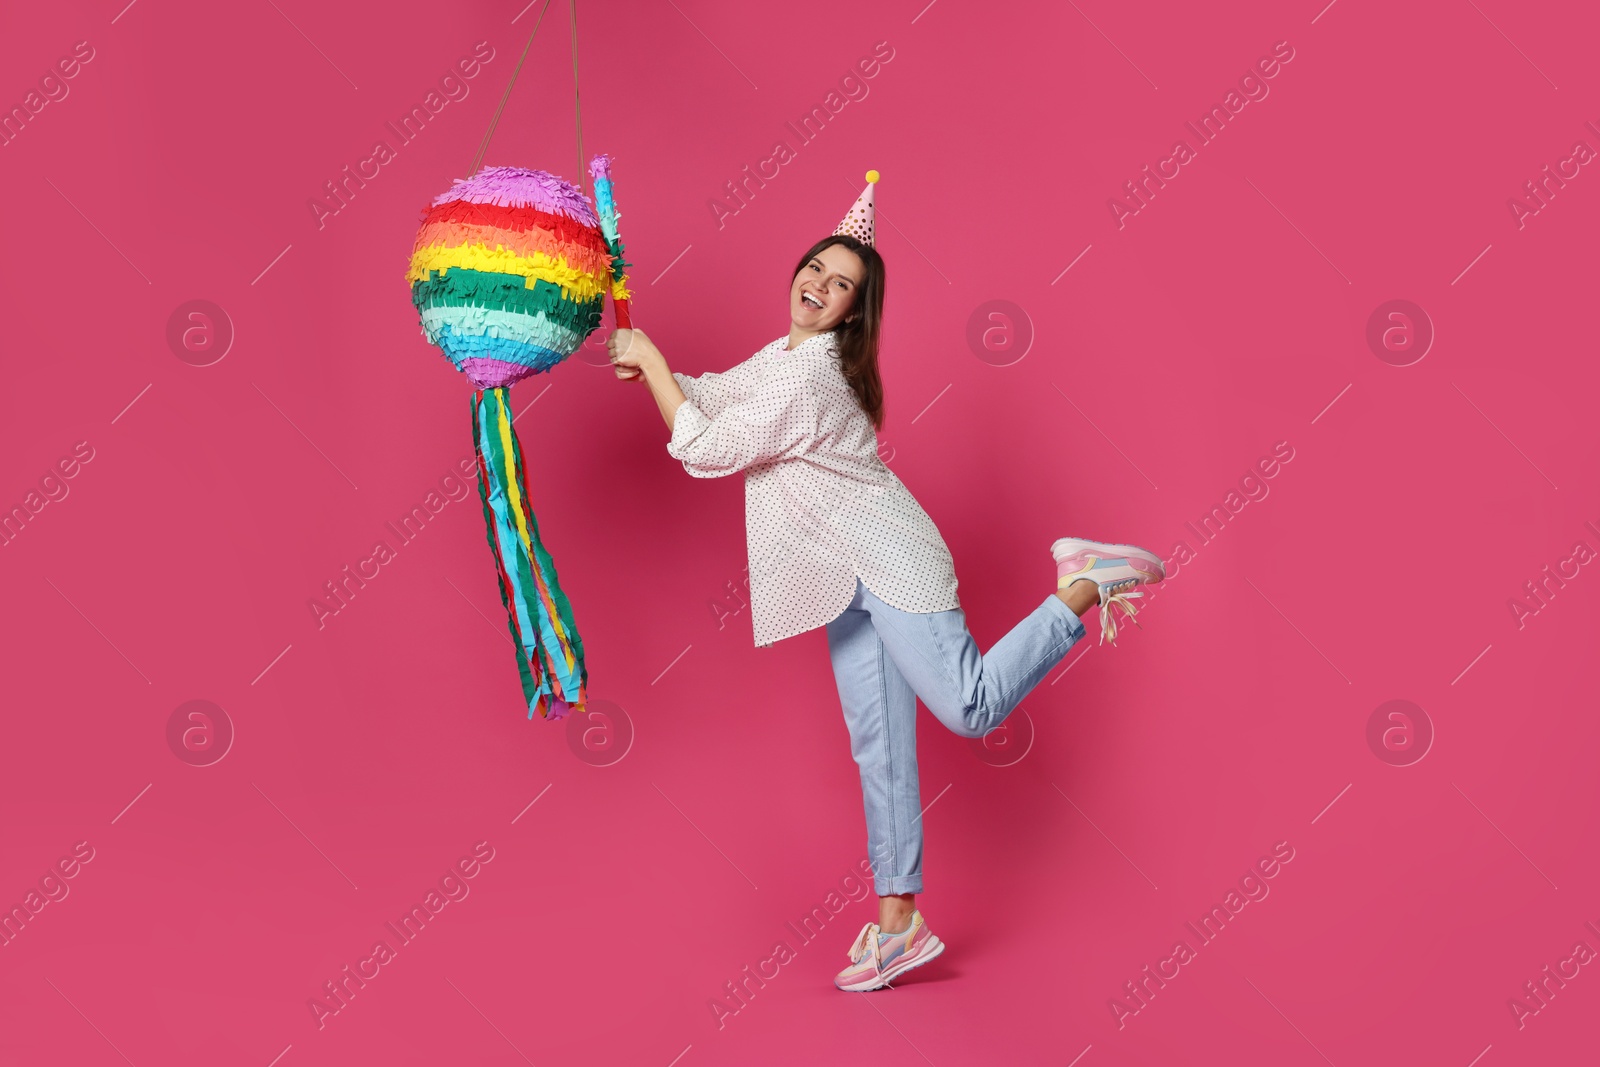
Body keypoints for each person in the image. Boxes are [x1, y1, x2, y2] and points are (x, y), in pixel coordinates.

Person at [606, 174, 1165, 992]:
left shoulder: (813, 375)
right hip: (843, 577)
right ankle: (900, 927)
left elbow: (705, 451)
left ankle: (1082, 583)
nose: (819, 286)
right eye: (817, 269)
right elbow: (715, 402)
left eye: (841, 286)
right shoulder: (785, 357)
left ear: (851, 313)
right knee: (884, 753)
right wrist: (664, 377)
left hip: (892, 558)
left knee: (970, 705)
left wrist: (651, 360)